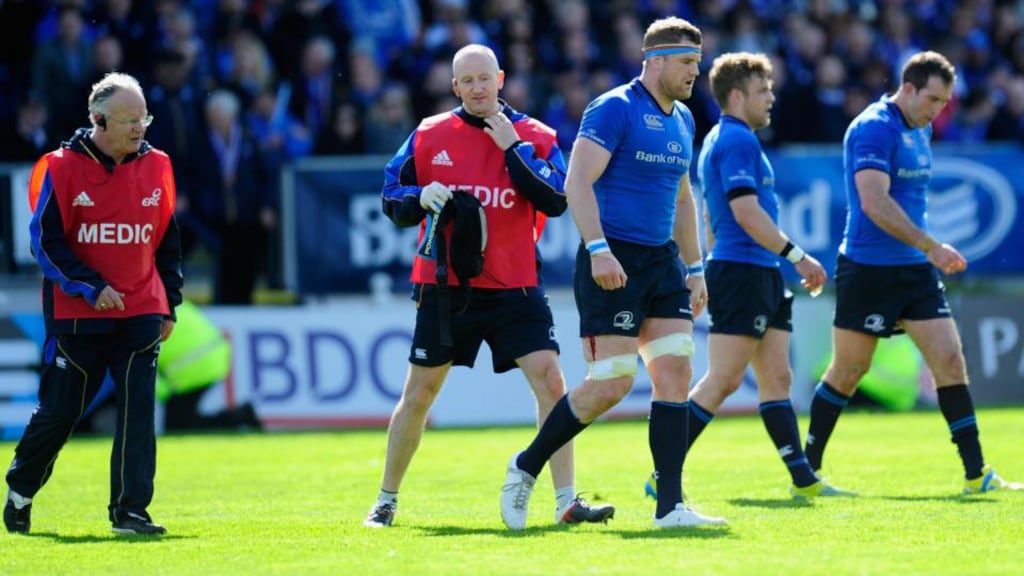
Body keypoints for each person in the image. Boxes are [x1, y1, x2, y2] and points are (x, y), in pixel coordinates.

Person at [366, 44, 615, 528]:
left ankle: (566, 500)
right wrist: (420, 196)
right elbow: (391, 196)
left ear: (500, 79)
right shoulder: (428, 134)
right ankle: (385, 500)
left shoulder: (536, 136)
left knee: (551, 382)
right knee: (420, 393)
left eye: (485, 78)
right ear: (454, 87)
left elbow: (556, 199)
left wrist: (511, 149)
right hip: (445, 287)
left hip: (516, 287)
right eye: (467, 81)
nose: (478, 87)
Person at [501, 17, 726, 530]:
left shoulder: (685, 119)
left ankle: (670, 507)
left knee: (675, 371)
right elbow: (577, 182)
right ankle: (525, 466)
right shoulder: (614, 108)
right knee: (612, 383)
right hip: (614, 260)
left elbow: (682, 196)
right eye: (688, 62)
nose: (697, 72)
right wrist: (598, 249)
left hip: (662, 261)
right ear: (657, 60)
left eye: (698, 61)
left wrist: (696, 267)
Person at [802, 51, 1022, 495]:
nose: (938, 111)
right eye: (933, 100)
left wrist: (924, 252)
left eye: (945, 103)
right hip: (868, 270)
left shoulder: (921, 130)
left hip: (914, 271)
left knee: (949, 359)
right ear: (907, 88)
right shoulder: (873, 128)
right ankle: (805, 472)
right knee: (848, 370)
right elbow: (874, 202)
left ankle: (976, 473)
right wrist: (932, 245)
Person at [646, 52, 853, 501]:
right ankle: (662, 475)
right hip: (742, 271)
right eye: (763, 90)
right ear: (737, 95)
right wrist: (797, 255)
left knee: (777, 378)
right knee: (722, 379)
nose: (771, 98)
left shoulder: (730, 139)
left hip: (758, 272)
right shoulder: (736, 141)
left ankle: (804, 481)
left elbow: (708, 214)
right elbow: (744, 212)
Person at [4, 72, 183, 535]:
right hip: (78, 314)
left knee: (138, 410)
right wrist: (89, 286)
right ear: (99, 121)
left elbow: (166, 239)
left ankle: (129, 512)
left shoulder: (159, 165)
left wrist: (170, 302)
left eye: (143, 117)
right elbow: (45, 245)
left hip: (140, 307)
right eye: (127, 120)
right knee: (61, 413)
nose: (139, 127)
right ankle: (21, 488)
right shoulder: (60, 167)